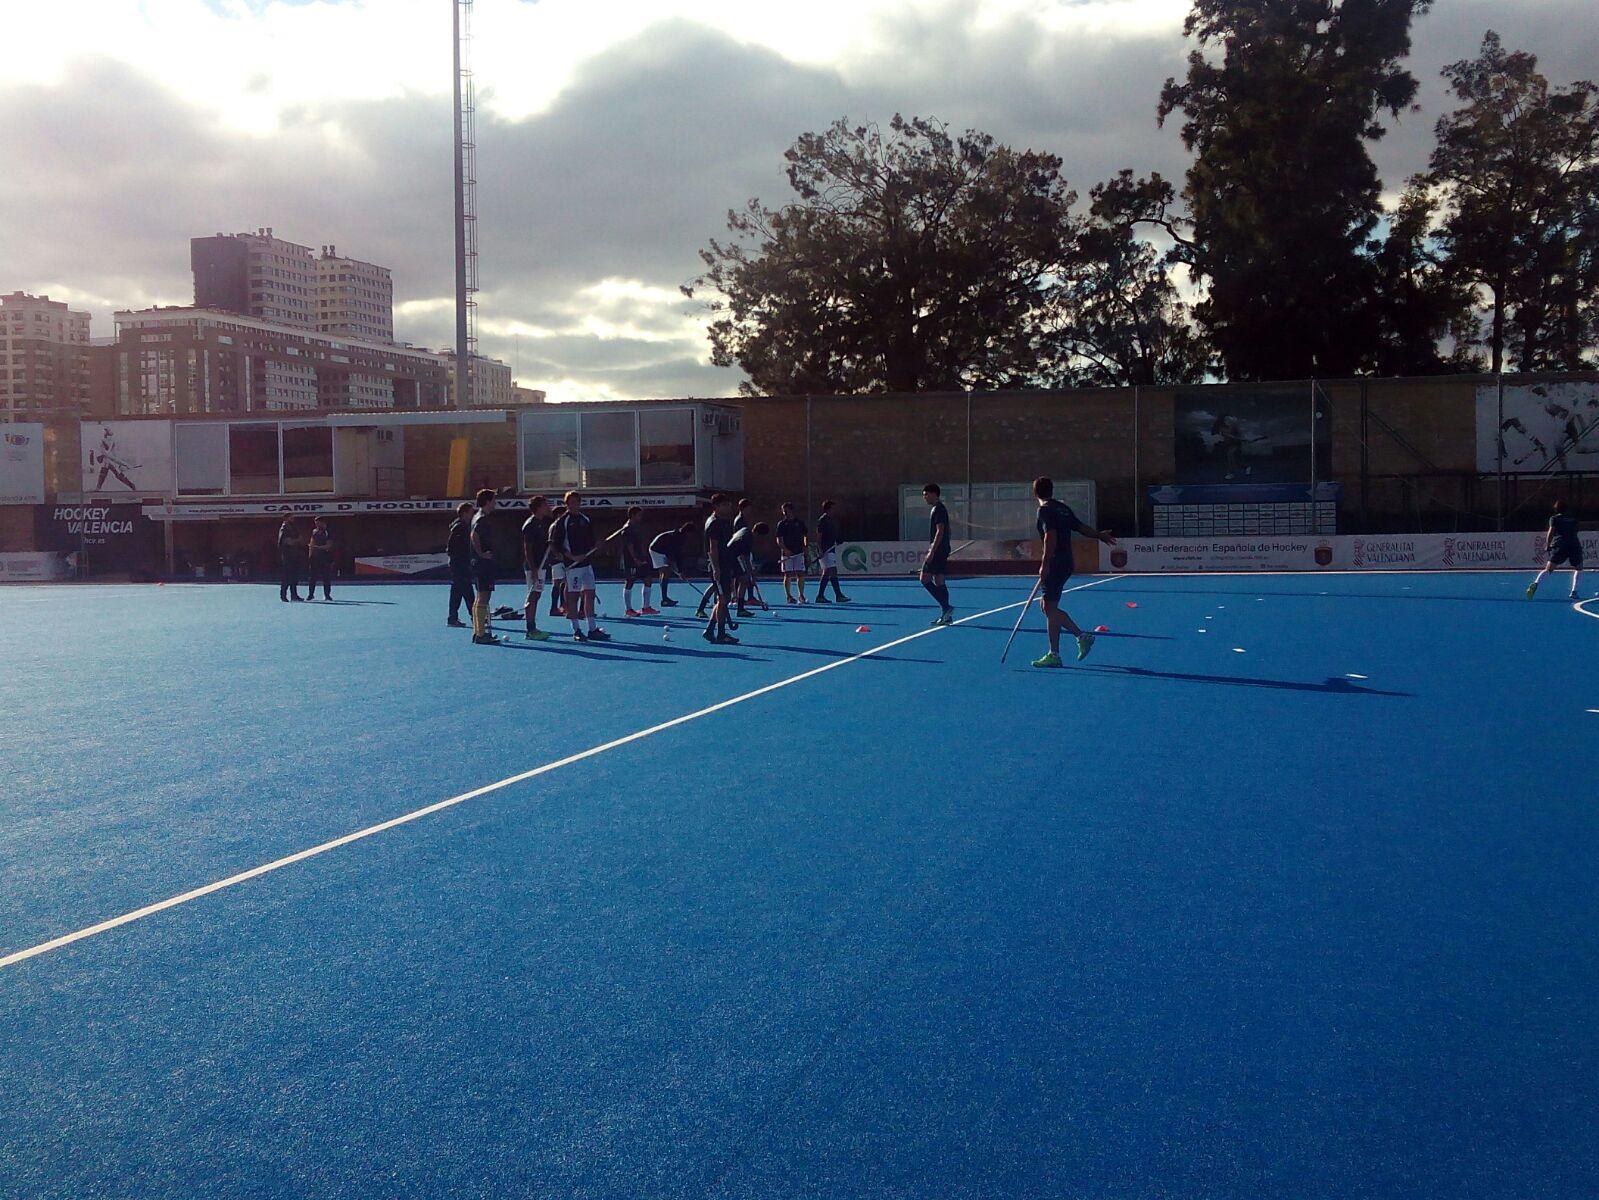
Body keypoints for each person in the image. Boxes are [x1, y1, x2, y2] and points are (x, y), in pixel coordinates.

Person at [1029, 476, 1116, 667]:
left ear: (1035, 493)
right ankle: (1058, 651)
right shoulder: (1062, 508)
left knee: (1049, 608)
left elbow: (1050, 536)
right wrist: (1099, 535)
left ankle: (1076, 640)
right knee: (1047, 607)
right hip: (1066, 561)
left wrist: (1045, 563)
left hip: (1056, 562)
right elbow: (1081, 527)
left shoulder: (1044, 510)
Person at [550, 490, 610, 641]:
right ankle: (576, 630)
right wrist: (572, 556)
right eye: (571, 502)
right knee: (573, 596)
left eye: (577, 502)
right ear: (567, 504)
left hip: (587, 564)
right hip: (573, 565)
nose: (575, 505)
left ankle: (592, 628)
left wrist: (597, 545)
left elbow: (591, 540)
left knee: (589, 594)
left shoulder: (585, 519)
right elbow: (556, 544)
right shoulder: (562, 521)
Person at [607, 506, 659, 617]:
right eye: (639, 515)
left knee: (648, 579)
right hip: (632, 560)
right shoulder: (627, 528)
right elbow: (629, 546)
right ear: (633, 515)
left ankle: (646, 607)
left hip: (640, 557)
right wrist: (635, 559)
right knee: (630, 582)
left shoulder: (635, 527)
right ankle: (628, 609)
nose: (641, 517)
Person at [1527, 500, 1585, 600]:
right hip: (1573, 545)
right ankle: (1574, 591)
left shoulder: (1554, 519)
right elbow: (1576, 531)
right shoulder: (1573, 519)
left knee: (1548, 569)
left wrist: (1548, 544)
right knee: (1578, 568)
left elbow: (1551, 532)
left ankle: (1535, 583)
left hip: (1560, 545)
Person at [702, 493, 739, 645]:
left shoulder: (724, 522)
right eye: (724, 505)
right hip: (719, 565)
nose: (728, 507)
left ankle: (710, 630)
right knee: (723, 599)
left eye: (728, 504)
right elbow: (713, 548)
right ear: (716, 507)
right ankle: (721, 634)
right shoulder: (714, 523)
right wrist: (716, 568)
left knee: (723, 599)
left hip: (725, 563)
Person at [919, 483, 954, 626]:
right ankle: (946, 614)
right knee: (939, 580)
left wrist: (932, 551)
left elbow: (940, 530)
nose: (925, 498)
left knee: (924, 579)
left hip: (938, 550)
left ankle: (946, 607)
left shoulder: (939, 509)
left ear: (934, 494)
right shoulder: (938, 509)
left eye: (926, 495)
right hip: (942, 548)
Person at [520, 495, 554, 641]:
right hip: (534, 567)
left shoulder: (543, 522)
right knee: (533, 595)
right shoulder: (530, 524)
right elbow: (527, 548)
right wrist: (533, 569)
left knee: (537, 594)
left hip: (542, 565)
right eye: (546, 505)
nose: (548, 507)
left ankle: (532, 627)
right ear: (539, 507)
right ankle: (530, 629)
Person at [469, 488, 500, 645]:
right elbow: (474, 536)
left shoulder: (478, 516)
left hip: (480, 563)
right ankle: (481, 634)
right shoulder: (481, 518)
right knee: (484, 596)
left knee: (480, 597)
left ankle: (478, 631)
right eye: (493, 500)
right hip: (482, 563)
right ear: (487, 501)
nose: (495, 503)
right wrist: (481, 553)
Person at [648, 520, 696, 607]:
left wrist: (680, 571)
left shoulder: (680, 535)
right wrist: (676, 568)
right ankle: (664, 600)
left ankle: (664, 598)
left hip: (662, 550)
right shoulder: (678, 537)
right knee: (665, 572)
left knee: (664, 572)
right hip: (657, 550)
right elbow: (675, 554)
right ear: (688, 532)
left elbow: (678, 555)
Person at [445, 501, 476, 627]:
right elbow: (451, 546)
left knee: (456, 592)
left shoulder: (463, 526)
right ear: (464, 513)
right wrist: (462, 558)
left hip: (459, 563)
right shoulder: (460, 527)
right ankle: (475, 617)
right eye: (471, 512)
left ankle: (452, 618)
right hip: (459, 564)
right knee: (468, 591)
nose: (473, 514)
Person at [813, 499, 849, 604]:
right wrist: (820, 550)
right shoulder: (822, 520)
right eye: (833, 508)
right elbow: (819, 537)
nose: (835, 510)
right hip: (825, 550)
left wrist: (838, 540)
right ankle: (822, 596)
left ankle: (837, 595)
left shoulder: (832, 520)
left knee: (832, 571)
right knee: (829, 570)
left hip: (831, 549)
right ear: (828, 509)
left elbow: (833, 534)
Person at [774, 503, 809, 603]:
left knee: (800, 573)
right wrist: (785, 550)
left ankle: (801, 595)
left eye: (786, 510)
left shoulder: (800, 523)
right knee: (787, 574)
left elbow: (805, 535)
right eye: (783, 510)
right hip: (787, 554)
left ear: (791, 510)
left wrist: (806, 546)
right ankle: (789, 596)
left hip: (799, 552)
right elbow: (779, 539)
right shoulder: (781, 524)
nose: (784, 512)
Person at [544, 502, 568, 619]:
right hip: (556, 559)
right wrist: (557, 555)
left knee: (563, 582)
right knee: (559, 582)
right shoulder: (555, 526)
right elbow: (551, 543)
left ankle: (562, 606)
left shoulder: (561, 526)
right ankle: (555, 608)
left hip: (561, 558)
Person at [277, 515, 305, 602]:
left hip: (294, 555)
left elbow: (300, 538)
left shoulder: (293, 528)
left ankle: (294, 595)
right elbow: (287, 542)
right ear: (286, 518)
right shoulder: (284, 528)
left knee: (294, 576)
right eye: (291, 517)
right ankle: (283, 595)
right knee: (287, 576)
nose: (293, 519)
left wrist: (296, 541)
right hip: (287, 555)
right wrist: (296, 540)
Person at [305, 517, 334, 601]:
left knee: (326, 577)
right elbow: (311, 543)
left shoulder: (328, 532)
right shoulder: (314, 531)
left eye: (318, 523)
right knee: (312, 577)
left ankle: (327, 595)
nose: (316, 524)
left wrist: (318, 547)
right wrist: (310, 555)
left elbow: (329, 545)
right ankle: (311, 594)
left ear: (322, 522)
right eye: (315, 523)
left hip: (325, 557)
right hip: (315, 558)